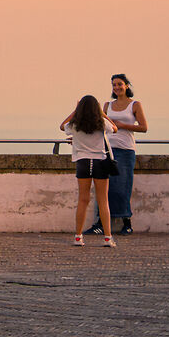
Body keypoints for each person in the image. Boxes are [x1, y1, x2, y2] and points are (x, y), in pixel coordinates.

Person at [62, 95, 118, 248]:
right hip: (100, 162)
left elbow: (62, 126)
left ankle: (78, 237)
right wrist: (103, 113)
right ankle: (107, 238)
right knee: (103, 200)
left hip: (83, 162)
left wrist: (75, 111)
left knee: (83, 200)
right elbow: (115, 128)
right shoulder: (101, 123)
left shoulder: (75, 124)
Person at [105, 73, 147, 235]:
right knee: (106, 187)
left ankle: (126, 223)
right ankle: (101, 222)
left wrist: (122, 125)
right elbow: (101, 126)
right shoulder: (107, 105)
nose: (116, 88)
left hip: (126, 150)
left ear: (127, 86)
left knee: (123, 187)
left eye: (119, 84)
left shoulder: (134, 105)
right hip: (108, 149)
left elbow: (144, 127)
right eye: (114, 85)